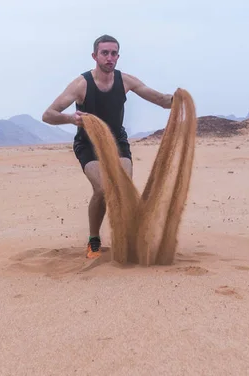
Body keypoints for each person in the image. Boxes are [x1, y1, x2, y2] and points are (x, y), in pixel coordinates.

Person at [42, 34, 173, 259]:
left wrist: (178, 99)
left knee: (123, 188)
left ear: (118, 56)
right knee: (103, 190)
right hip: (88, 144)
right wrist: (71, 118)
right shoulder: (81, 84)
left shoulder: (126, 81)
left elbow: (161, 100)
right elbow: (48, 115)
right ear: (95, 56)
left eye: (113, 53)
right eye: (104, 53)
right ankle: (94, 239)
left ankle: (131, 239)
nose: (109, 58)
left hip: (117, 141)